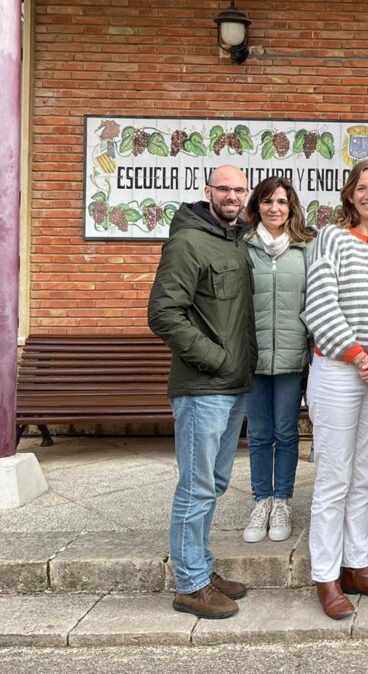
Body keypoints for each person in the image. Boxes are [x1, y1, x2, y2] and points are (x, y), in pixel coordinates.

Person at [302, 160, 368, 620]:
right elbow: (319, 302)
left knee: (367, 474)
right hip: (338, 370)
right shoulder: (331, 238)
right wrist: (358, 356)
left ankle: (357, 566)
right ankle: (326, 575)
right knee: (334, 477)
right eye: (362, 187)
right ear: (350, 195)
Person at [147, 164, 257, 619]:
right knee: (195, 488)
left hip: (233, 388)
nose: (232, 196)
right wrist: (216, 360)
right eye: (224, 189)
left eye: (239, 190)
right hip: (202, 389)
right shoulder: (188, 242)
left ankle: (201, 568)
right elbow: (163, 313)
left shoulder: (236, 241)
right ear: (207, 191)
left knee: (213, 484)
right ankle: (189, 585)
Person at [242, 177, 313, 545]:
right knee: (258, 433)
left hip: (290, 357)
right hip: (252, 358)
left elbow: (315, 300)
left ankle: (282, 499)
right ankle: (261, 500)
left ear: (291, 207)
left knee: (286, 432)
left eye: (282, 202)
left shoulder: (306, 248)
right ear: (257, 206)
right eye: (267, 201)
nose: (274, 208)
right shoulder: (243, 245)